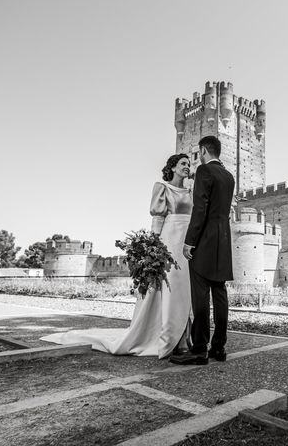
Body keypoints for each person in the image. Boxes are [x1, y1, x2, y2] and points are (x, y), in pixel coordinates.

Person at [41, 154, 193, 358]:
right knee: (171, 288)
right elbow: (158, 218)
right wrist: (153, 245)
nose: (187, 166)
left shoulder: (190, 192)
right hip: (170, 240)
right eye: (183, 163)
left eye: (188, 164)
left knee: (186, 289)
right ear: (173, 167)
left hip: (186, 242)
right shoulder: (162, 188)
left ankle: (184, 336)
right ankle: (174, 339)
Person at [170, 136, 235, 366]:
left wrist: (189, 241)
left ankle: (199, 350)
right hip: (223, 241)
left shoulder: (204, 172)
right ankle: (219, 347)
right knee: (220, 295)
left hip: (204, 241)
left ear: (203, 150)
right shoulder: (229, 176)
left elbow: (200, 209)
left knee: (200, 297)